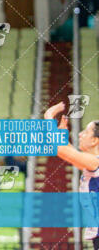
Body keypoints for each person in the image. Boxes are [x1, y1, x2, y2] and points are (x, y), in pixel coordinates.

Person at [44, 102, 99, 249]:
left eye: (86, 132)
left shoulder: (95, 162)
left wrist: (48, 116)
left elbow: (58, 149)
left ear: (94, 141)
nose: (80, 134)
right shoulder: (92, 163)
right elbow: (69, 154)